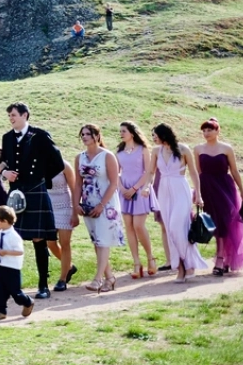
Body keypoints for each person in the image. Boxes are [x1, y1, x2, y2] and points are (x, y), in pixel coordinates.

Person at [0, 102, 63, 299]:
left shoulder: (40, 135)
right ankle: (9, 286)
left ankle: (43, 285)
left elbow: (58, 162)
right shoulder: (7, 138)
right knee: (12, 239)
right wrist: (5, 172)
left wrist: (41, 179)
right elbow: (7, 162)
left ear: (25, 115)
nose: (11, 118)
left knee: (38, 239)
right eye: (9, 115)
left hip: (35, 190)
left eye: (14, 115)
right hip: (16, 192)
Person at [193, 118, 243, 276]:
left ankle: (222, 258)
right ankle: (221, 258)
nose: (206, 133)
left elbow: (234, 171)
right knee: (214, 223)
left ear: (217, 131)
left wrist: (242, 191)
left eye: (209, 130)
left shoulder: (227, 148)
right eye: (204, 131)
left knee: (226, 222)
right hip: (207, 188)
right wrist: (197, 192)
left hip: (225, 188)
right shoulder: (198, 149)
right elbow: (198, 173)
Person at [150, 123, 207, 283]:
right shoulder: (155, 151)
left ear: (164, 135)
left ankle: (189, 264)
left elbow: (194, 173)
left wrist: (199, 195)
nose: (153, 138)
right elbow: (150, 172)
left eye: (155, 135)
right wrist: (147, 187)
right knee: (169, 230)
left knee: (177, 228)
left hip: (181, 189)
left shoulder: (183, 149)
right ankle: (180, 267)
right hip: (164, 192)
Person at [76, 124, 125, 291]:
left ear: (97, 136)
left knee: (103, 240)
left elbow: (113, 183)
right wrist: (75, 203)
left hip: (106, 203)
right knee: (97, 242)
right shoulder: (80, 157)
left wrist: (101, 205)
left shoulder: (107, 156)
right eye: (82, 134)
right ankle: (110, 277)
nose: (84, 137)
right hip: (88, 203)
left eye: (88, 134)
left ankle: (97, 279)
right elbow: (77, 183)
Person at [117, 121, 158, 278]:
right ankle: (136, 263)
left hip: (140, 190)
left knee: (138, 225)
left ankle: (150, 258)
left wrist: (135, 188)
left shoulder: (143, 149)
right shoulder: (119, 152)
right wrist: (121, 188)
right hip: (124, 190)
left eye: (124, 131)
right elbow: (116, 172)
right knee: (128, 226)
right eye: (120, 131)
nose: (121, 133)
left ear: (132, 133)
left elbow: (148, 172)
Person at [0, 205, 34, 321]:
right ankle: (0, 311)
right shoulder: (0, 233)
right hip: (1, 266)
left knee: (15, 292)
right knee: (0, 291)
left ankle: (27, 302)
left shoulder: (14, 236)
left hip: (12, 268)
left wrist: (7, 252)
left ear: (4, 221)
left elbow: (20, 251)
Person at [48, 158, 80, 291]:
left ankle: (62, 279)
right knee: (50, 242)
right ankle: (69, 267)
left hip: (65, 207)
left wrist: (75, 212)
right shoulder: (39, 165)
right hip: (49, 208)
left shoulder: (64, 165)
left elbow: (74, 189)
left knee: (64, 242)